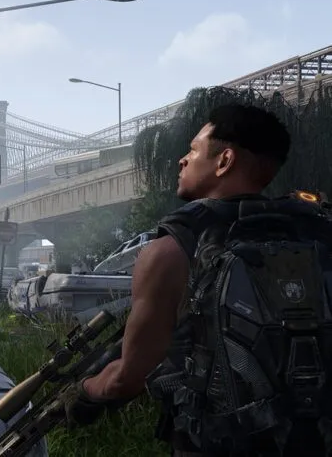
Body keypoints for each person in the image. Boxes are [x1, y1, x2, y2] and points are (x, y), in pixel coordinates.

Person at [63, 104, 332, 456]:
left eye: (193, 150)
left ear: (224, 161)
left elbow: (127, 378)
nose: (182, 160)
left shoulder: (171, 250)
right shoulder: (319, 234)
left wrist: (83, 392)